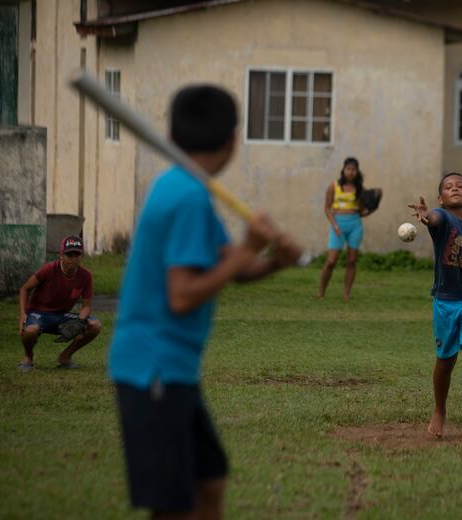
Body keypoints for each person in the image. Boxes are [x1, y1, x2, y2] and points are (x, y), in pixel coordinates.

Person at [108, 85, 303, 518]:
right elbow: (182, 296)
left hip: (171, 369)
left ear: (172, 134)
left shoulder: (183, 187)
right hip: (153, 368)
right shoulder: (189, 196)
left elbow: (226, 265)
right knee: (174, 504)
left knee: (208, 481)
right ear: (233, 138)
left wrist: (273, 261)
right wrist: (250, 248)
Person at [408, 172, 462, 444]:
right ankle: (440, 409)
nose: (455, 188)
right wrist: (425, 216)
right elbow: (432, 219)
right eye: (448, 187)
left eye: (460, 186)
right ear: (441, 199)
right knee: (445, 361)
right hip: (446, 301)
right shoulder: (442, 218)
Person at [17, 235, 102, 371]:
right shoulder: (49, 269)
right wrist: (22, 314)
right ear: (61, 255)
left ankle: (65, 356)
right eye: (69, 255)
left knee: (95, 325)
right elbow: (24, 289)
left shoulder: (85, 276)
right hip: (38, 313)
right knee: (31, 331)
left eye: (77, 255)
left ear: (82, 256)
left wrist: (79, 321)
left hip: (61, 315)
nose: (73, 259)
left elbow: (87, 306)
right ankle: (28, 357)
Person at [317, 157, 379, 299]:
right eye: (348, 169)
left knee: (351, 261)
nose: (351, 172)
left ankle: (346, 294)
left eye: (353, 170)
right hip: (338, 224)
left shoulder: (359, 189)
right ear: (343, 170)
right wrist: (334, 225)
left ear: (357, 172)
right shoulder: (333, 186)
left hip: (355, 224)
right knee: (331, 261)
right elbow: (327, 208)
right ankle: (321, 292)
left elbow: (362, 211)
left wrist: (373, 208)